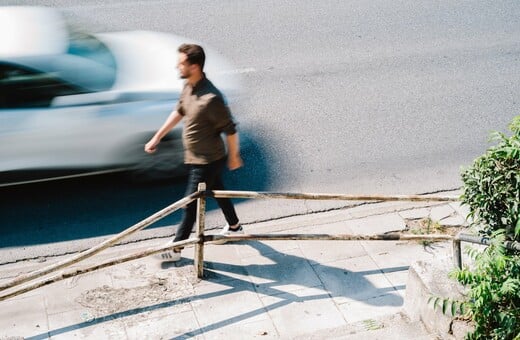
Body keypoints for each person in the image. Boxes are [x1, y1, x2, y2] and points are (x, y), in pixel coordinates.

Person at [145, 43, 243, 261]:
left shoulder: (211, 98)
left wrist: (234, 156)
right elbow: (179, 111)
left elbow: (231, 129)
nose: (177, 67)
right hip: (197, 156)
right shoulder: (189, 86)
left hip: (207, 160)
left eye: (182, 64)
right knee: (219, 191)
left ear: (195, 66)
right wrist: (157, 137)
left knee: (190, 204)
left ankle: (176, 249)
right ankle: (235, 227)